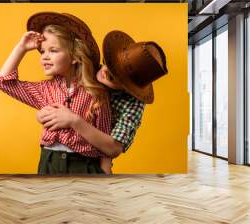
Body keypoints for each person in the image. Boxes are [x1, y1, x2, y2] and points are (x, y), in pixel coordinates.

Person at [0, 12, 112, 175]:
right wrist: (21, 48)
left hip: (84, 166)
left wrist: (105, 172)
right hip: (49, 162)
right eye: (42, 51)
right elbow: (3, 82)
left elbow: (106, 144)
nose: (44, 57)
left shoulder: (96, 93)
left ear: (74, 56)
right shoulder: (44, 90)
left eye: (53, 50)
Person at [36, 30, 168, 174]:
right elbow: (56, 88)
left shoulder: (133, 104)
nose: (104, 71)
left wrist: (74, 121)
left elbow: (114, 148)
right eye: (107, 63)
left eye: (112, 76)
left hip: (90, 163)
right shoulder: (88, 68)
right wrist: (44, 112)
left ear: (127, 87)